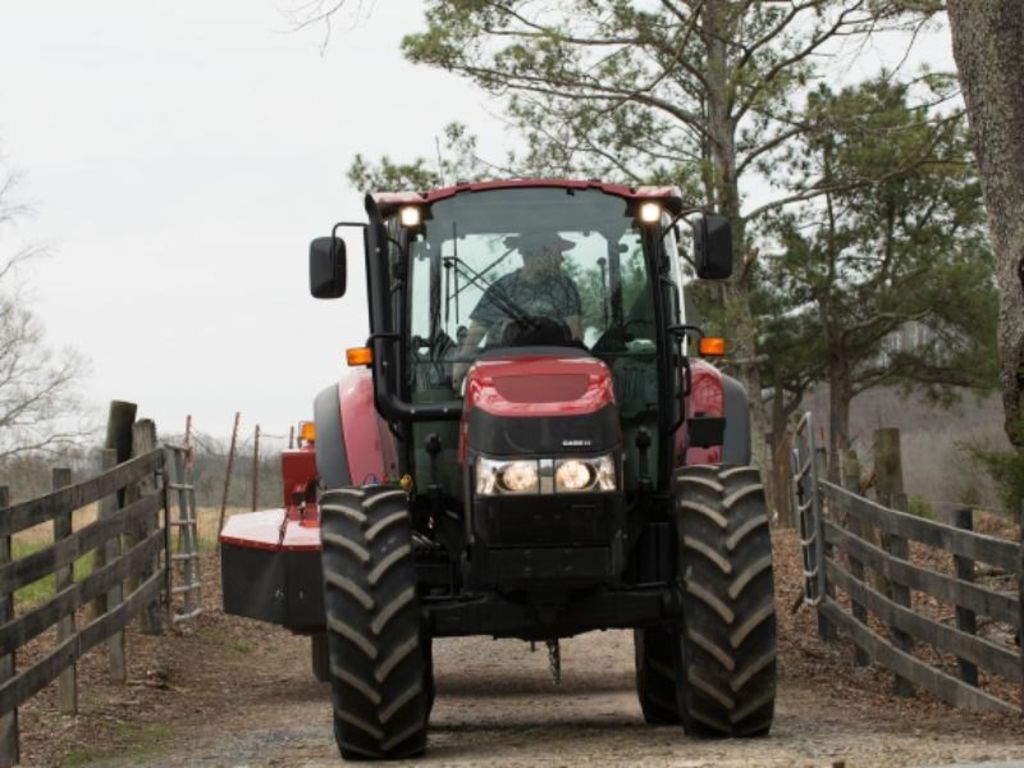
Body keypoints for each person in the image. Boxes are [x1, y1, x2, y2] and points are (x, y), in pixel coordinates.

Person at [451, 231, 583, 389]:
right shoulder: (503, 287)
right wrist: (460, 370)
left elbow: (575, 335)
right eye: (557, 252)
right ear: (535, 254)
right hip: (500, 367)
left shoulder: (564, 287)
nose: (562, 259)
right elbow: (477, 331)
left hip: (554, 367)